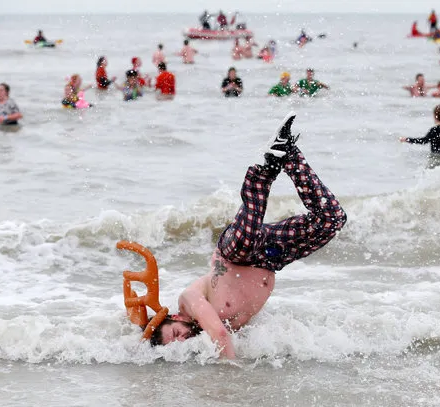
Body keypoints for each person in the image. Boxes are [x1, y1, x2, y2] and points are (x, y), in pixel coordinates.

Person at [148, 112, 347, 358]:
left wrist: (232, 376)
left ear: (175, 317)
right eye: (176, 344)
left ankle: (266, 169)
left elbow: (220, 334)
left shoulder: (189, 300)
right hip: (271, 257)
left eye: (176, 333)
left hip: (235, 253)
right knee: (332, 219)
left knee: (245, 238)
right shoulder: (207, 338)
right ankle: (288, 154)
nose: (183, 340)